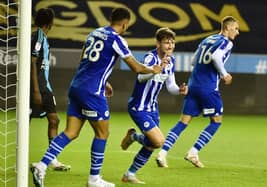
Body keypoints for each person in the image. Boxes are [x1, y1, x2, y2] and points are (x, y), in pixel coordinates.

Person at [30, 7, 163, 187]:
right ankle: (94, 179)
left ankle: (42, 165)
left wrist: (103, 80)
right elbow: (136, 68)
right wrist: (153, 69)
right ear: (125, 24)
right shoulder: (117, 39)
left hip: (76, 86)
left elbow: (84, 58)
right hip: (92, 92)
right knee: (102, 133)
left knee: (71, 132)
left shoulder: (94, 33)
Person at [156, 16, 239, 168]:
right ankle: (193, 152)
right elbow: (215, 56)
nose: (237, 32)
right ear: (227, 28)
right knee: (216, 122)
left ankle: (162, 154)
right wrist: (224, 74)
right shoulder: (226, 42)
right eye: (235, 28)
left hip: (193, 85)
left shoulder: (208, 39)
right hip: (208, 88)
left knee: (183, 122)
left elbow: (193, 60)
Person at [120, 27, 188, 184]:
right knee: (158, 141)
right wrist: (155, 71)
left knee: (151, 144)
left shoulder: (171, 61)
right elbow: (141, 78)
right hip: (139, 107)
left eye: (172, 42)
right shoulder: (150, 58)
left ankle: (129, 174)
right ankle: (134, 137)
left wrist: (180, 90)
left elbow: (171, 87)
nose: (170, 46)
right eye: (166, 42)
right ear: (158, 43)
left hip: (152, 108)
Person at [30, 8, 71, 171]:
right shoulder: (39, 36)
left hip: (44, 87)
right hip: (39, 87)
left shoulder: (41, 36)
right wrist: (35, 90)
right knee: (27, 121)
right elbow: (32, 62)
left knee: (54, 120)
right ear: (50, 23)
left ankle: (52, 160)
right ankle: (20, 157)